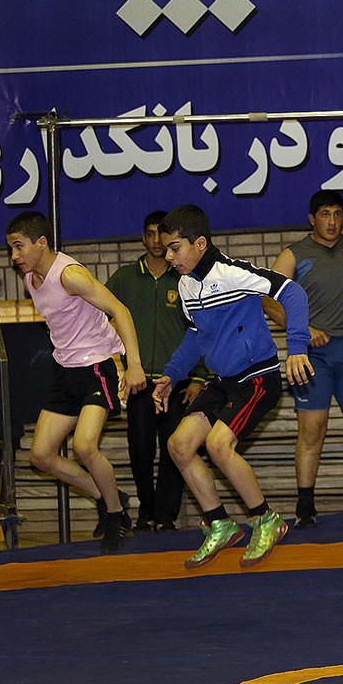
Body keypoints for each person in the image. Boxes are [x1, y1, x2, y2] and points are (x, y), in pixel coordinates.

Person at [153, 204, 313, 569]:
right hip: (224, 382)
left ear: (200, 243)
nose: (169, 256)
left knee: (218, 445)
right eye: (166, 249)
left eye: (175, 247)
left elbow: (293, 293)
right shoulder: (186, 284)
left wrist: (297, 347)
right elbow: (195, 337)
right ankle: (220, 523)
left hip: (258, 377)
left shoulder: (232, 273)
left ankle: (266, 519)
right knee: (179, 445)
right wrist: (171, 375)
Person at [5, 211, 147, 554]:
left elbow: (121, 311)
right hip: (65, 371)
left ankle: (114, 515)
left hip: (96, 367)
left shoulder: (71, 275)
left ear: (42, 243)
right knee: (41, 455)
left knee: (84, 446)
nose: (14, 256)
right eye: (11, 249)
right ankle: (108, 495)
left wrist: (133, 365)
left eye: (19, 247)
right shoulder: (30, 280)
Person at [266, 190, 343, 524]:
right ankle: (305, 509)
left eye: (337, 214)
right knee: (312, 431)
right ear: (312, 219)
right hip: (313, 356)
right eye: (325, 214)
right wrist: (303, 329)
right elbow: (268, 299)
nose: (332, 221)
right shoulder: (294, 254)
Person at [106, 211, 206, 532]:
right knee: (140, 450)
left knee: (176, 449)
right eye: (149, 234)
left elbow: (202, 330)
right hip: (139, 382)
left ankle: (166, 516)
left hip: (177, 382)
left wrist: (199, 378)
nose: (156, 242)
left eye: (160, 236)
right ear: (143, 238)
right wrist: (118, 364)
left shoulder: (185, 278)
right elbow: (99, 318)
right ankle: (145, 512)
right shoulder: (124, 278)